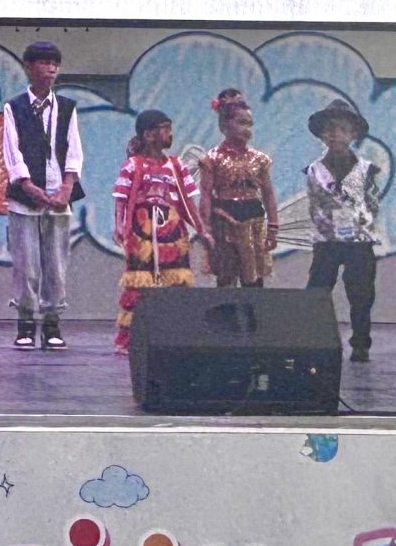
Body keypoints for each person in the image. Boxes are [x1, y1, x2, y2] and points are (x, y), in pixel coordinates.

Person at [2, 40, 83, 351]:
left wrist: (66, 187)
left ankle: (52, 323)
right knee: (26, 264)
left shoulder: (67, 107)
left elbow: (74, 150)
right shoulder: (14, 107)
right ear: (29, 66)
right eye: (44, 63)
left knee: (56, 265)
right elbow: (12, 150)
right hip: (25, 198)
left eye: (54, 64)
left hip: (58, 195)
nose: (51, 69)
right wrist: (28, 186)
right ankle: (25, 322)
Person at [110, 110, 200, 355]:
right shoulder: (133, 165)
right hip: (142, 230)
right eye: (165, 129)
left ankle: (173, 336)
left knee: (175, 279)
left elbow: (187, 201)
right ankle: (130, 338)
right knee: (140, 282)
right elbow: (121, 198)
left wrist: (200, 227)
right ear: (149, 135)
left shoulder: (176, 165)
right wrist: (120, 225)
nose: (169, 134)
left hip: (171, 229)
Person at [302, 100, 384, 362]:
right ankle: (311, 340)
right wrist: (329, 225)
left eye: (342, 129)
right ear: (322, 135)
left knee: (361, 294)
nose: (335, 135)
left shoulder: (366, 169)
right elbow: (314, 205)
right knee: (318, 290)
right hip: (326, 241)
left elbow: (373, 202)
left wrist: (359, 222)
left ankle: (360, 343)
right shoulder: (314, 170)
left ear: (353, 134)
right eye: (330, 129)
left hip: (359, 242)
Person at [197, 88, 277, 288]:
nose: (247, 129)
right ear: (224, 125)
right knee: (226, 275)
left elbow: (268, 193)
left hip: (253, 217)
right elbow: (205, 195)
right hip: (224, 218)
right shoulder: (212, 159)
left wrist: (273, 227)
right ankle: (227, 308)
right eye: (241, 123)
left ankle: (253, 308)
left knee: (254, 276)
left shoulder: (259, 159)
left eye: (250, 124)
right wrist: (205, 228)